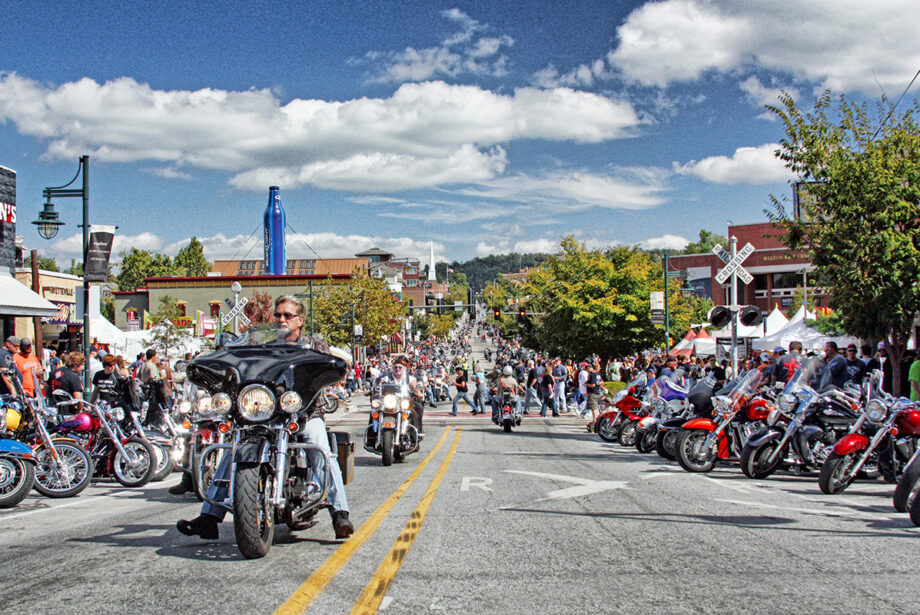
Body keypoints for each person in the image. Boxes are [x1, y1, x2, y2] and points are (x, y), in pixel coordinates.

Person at [177, 295, 354, 541]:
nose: (281, 319)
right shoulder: (263, 346)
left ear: (300, 320)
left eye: (287, 315)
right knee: (232, 450)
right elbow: (242, 365)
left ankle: (340, 513)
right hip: (264, 414)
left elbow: (329, 366)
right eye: (278, 315)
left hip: (304, 413)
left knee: (320, 448)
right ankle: (209, 517)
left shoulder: (315, 346)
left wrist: (332, 369)